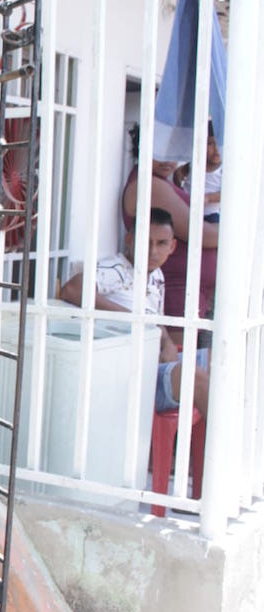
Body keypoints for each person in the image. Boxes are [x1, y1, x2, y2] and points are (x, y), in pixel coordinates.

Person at [58, 207, 210, 489]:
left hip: (154, 364)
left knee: (216, 362)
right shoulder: (117, 269)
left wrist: (165, 341)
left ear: (172, 246)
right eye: (145, 241)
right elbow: (71, 290)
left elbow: (155, 318)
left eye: (161, 243)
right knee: (196, 375)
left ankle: (208, 476)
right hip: (130, 378)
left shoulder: (157, 276)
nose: (152, 251)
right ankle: (219, 460)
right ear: (129, 240)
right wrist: (133, 320)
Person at [121, 124, 218, 344]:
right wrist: (239, 226)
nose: (167, 159)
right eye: (159, 150)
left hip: (189, 294)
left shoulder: (162, 181)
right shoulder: (150, 185)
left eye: (173, 150)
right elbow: (203, 235)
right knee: (178, 367)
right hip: (177, 294)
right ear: (141, 148)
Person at [173, 122, 223, 223]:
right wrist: (179, 184)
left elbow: (225, 193)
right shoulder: (196, 163)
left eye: (220, 143)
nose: (216, 149)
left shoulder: (223, 169)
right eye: (210, 144)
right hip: (187, 208)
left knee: (215, 229)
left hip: (210, 213)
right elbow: (180, 172)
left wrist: (208, 198)